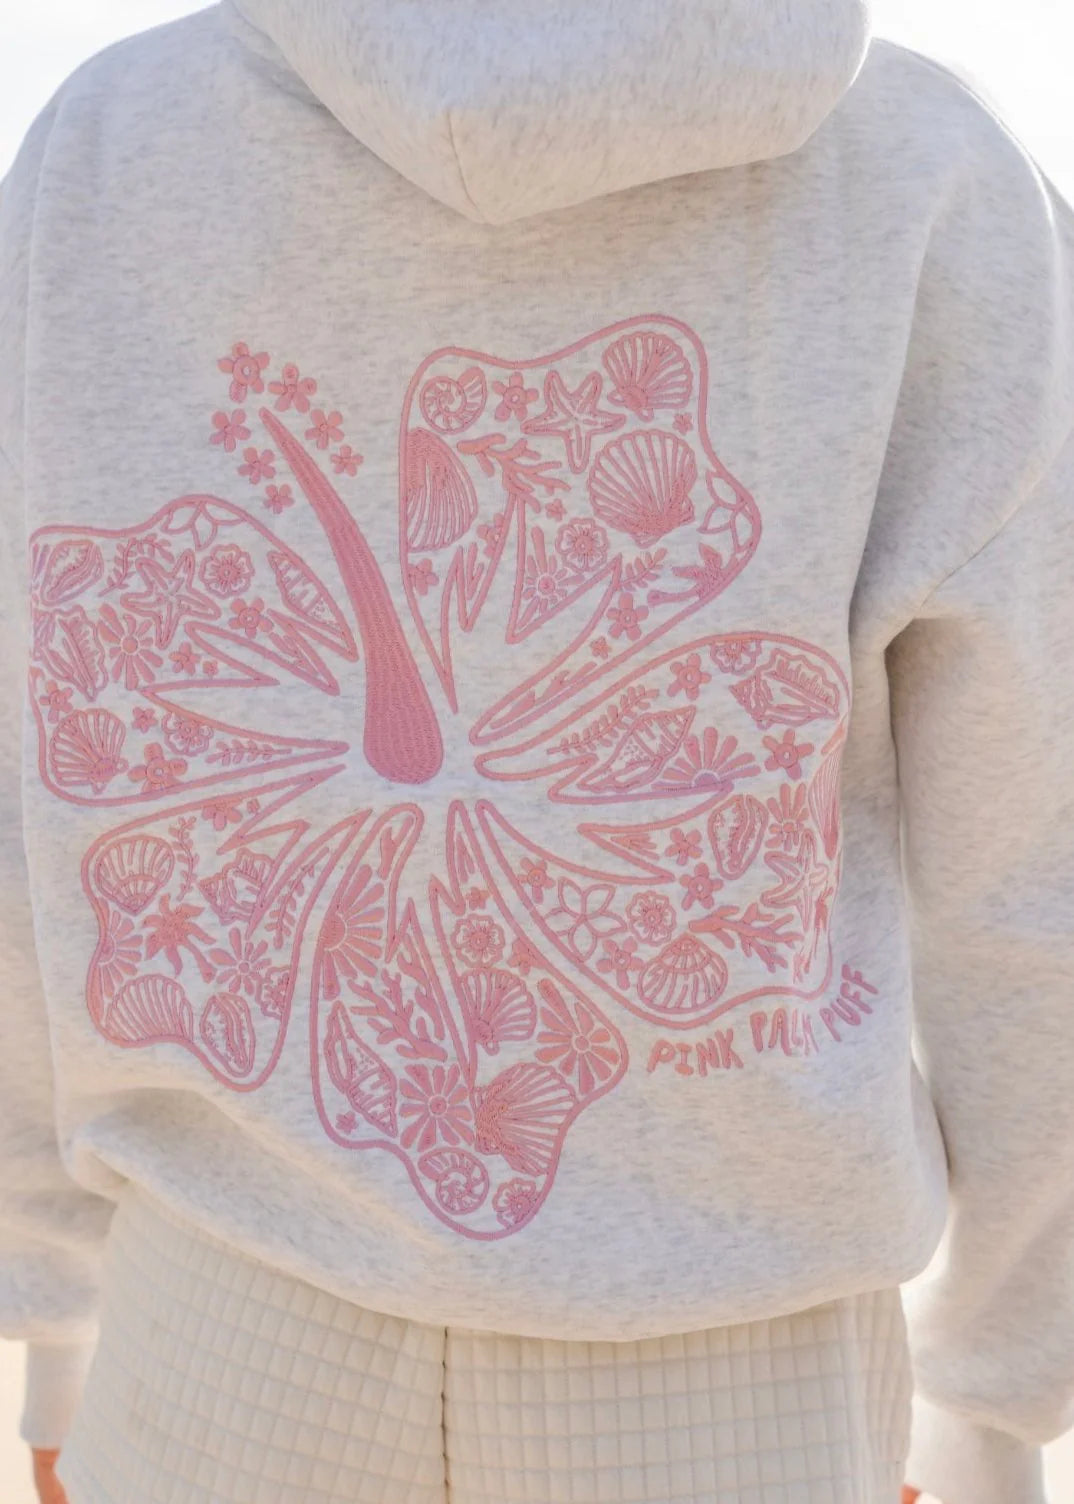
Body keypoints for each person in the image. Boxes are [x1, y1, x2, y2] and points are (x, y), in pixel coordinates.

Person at [1, 2, 1071, 1501]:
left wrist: (47, 1305)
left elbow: (45, 779)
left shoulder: (110, 143)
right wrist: (994, 1406)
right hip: (740, 1399)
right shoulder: (927, 172)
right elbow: (1027, 879)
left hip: (212, 1347)